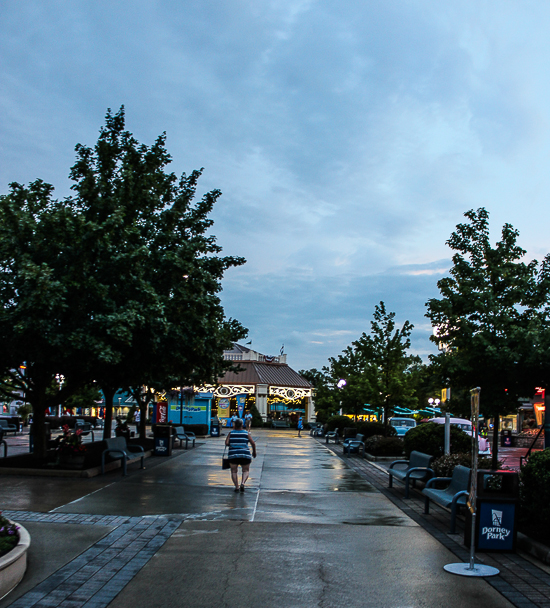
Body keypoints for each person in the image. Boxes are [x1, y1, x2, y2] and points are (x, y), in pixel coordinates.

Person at [225, 418, 256, 492]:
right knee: (245, 470)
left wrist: (232, 443)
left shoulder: (231, 433)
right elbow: (253, 443)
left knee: (234, 471)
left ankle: (237, 487)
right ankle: (242, 483)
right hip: (245, 455)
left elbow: (226, 443)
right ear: (242, 425)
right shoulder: (246, 433)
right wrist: (254, 452)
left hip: (233, 455)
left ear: (235, 425)